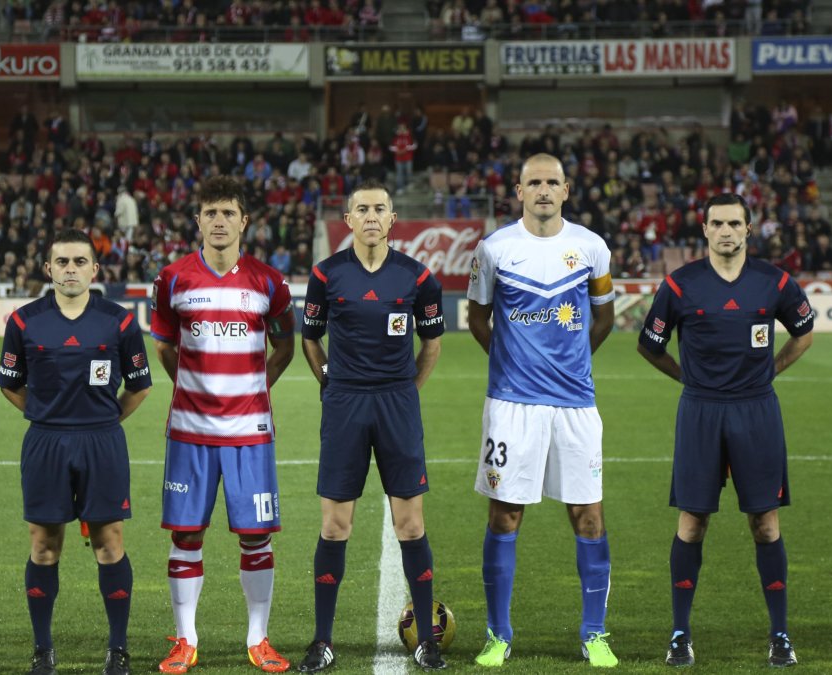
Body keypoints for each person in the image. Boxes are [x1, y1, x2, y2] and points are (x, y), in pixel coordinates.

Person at [637, 193, 815, 668]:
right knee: (692, 524)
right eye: (717, 223)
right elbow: (649, 345)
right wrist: (687, 379)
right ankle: (679, 634)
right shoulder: (679, 286)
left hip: (757, 411)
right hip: (700, 412)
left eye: (735, 223)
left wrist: (771, 371)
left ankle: (780, 635)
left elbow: (804, 332)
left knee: (765, 523)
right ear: (705, 229)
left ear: (749, 228)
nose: (727, 232)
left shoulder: (775, 282)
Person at [466, 154, 619, 668]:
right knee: (505, 513)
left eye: (553, 182)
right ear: (519, 191)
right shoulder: (495, 249)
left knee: (589, 516)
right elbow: (477, 318)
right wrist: (514, 366)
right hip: (511, 406)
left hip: (575, 404)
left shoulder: (591, 248)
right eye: (534, 182)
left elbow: (603, 320)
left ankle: (594, 633)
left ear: (567, 189)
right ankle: (498, 634)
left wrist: (569, 366)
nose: (544, 190)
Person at [297, 180, 447, 672]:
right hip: (345, 405)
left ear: (392, 218)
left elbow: (431, 345)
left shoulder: (418, 277)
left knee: (411, 524)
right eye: (361, 209)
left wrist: (406, 391)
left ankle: (427, 640)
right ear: (347, 219)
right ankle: (322, 641)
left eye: (379, 209)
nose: (370, 216)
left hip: (396, 404)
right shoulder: (326, 275)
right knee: (335, 525)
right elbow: (311, 339)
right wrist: (329, 384)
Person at [150, 176, 296, 674]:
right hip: (190, 433)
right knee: (186, 535)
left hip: (249, 434)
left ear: (244, 220)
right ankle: (185, 640)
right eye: (210, 212)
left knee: (256, 537)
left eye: (228, 213)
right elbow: (165, 345)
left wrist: (254, 389)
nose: (218, 221)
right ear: (197, 220)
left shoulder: (269, 283)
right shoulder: (173, 279)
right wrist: (194, 388)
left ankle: (258, 639)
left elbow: (284, 347)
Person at [0, 228, 153, 675]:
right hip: (45, 441)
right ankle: (43, 649)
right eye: (62, 262)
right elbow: (10, 384)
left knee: (109, 543)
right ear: (48, 269)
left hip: (102, 441)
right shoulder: (25, 320)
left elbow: (140, 387)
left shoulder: (118, 321)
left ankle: (117, 648)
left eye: (79, 262)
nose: (70, 269)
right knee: (44, 545)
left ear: (95, 269)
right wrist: (50, 415)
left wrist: (102, 420)